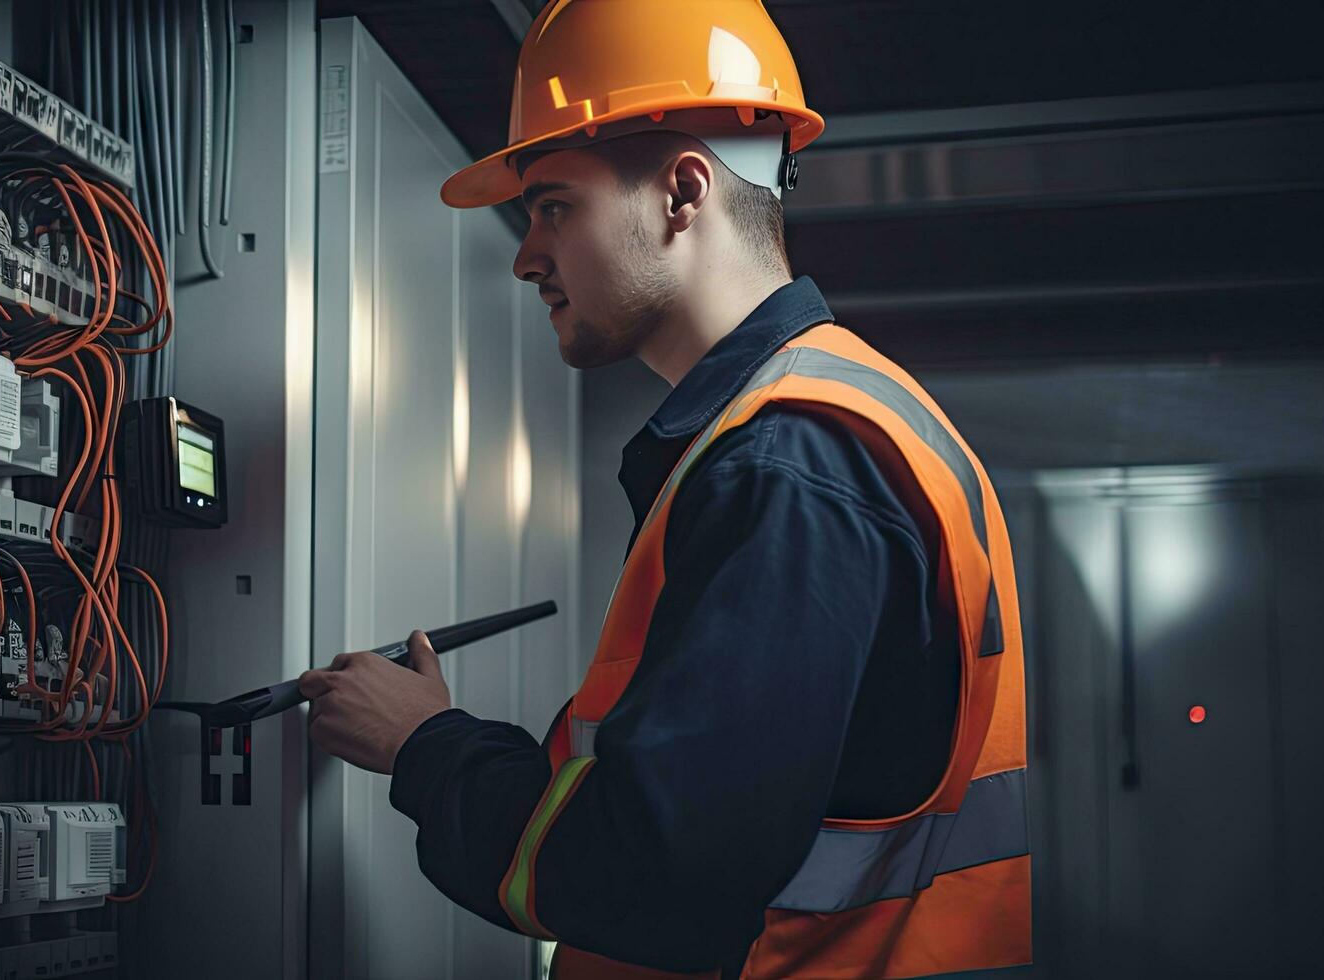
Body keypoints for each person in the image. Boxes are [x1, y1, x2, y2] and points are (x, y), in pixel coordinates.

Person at [298, 3, 1030, 976]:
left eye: (554, 204)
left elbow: (651, 870)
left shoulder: (789, 462)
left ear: (683, 193)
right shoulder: (826, 421)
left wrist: (424, 744)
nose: (525, 253)